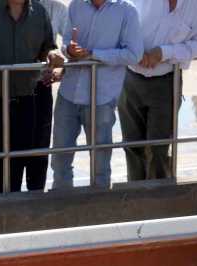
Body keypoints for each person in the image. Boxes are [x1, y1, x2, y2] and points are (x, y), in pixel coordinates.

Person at [0, 0, 64, 194]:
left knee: (16, 166)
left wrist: (53, 54)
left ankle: (10, 216)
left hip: (24, 101)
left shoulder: (39, 13)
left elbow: (47, 47)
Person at [51, 0, 143, 190]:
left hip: (101, 97)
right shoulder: (76, 5)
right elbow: (66, 41)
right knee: (60, 160)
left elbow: (134, 54)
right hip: (68, 93)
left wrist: (93, 54)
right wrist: (69, 50)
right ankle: (60, 208)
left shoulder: (127, 11)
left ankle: (100, 210)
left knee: (100, 164)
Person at [120, 0, 197, 182]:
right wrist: (132, 49)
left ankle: (159, 198)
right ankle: (135, 195)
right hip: (129, 77)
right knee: (132, 146)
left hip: (167, 82)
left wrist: (164, 52)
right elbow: (119, 22)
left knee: (159, 148)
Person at [28, 0, 69, 191]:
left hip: (41, 87)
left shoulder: (58, 9)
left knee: (40, 146)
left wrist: (64, 70)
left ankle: (36, 196)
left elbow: (72, 45)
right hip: (8, 88)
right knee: (11, 148)